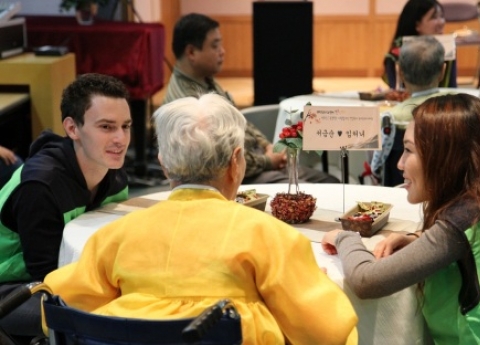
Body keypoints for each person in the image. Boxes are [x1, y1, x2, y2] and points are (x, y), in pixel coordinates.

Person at [44, 94, 358, 345]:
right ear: (237, 162)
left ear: (164, 166)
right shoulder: (271, 236)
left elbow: (60, 307)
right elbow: (328, 334)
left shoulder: (114, 237)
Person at [322, 94, 480, 344]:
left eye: (409, 150)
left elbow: (366, 280)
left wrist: (345, 237)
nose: (399, 163)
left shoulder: (460, 219)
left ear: (447, 158)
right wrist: (417, 238)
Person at [0, 73, 131, 337]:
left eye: (125, 126)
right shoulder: (41, 186)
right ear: (72, 128)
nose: (121, 139)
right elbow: (48, 280)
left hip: (66, 273)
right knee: (106, 316)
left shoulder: (114, 173)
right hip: (15, 287)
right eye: (106, 127)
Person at [164, 13, 339, 184]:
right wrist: (268, 160)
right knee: (310, 192)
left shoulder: (205, 81)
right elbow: (222, 160)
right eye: (215, 46)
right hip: (239, 177)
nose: (222, 52)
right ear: (191, 52)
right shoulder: (188, 104)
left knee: (329, 182)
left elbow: (242, 122)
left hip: (254, 162)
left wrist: (267, 146)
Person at [374, 35, 454, 187]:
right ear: (443, 70)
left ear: (401, 74)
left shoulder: (391, 116)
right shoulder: (456, 107)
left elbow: (378, 162)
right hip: (446, 187)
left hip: (401, 189)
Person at [383, 0, 457, 90]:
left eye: (441, 16)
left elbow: (452, 88)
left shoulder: (447, 47)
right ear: (417, 24)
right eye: (434, 18)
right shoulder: (398, 51)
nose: (441, 22)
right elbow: (396, 89)